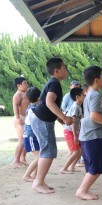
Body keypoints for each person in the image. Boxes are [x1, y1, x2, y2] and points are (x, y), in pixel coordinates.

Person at [31, 58, 73, 194]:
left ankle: (40, 181)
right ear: (57, 71)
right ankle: (38, 183)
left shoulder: (54, 83)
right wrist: (64, 117)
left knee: (48, 151)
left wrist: (61, 120)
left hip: (42, 119)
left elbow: (50, 105)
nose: (66, 70)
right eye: (64, 67)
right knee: (48, 152)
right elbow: (49, 103)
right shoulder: (54, 83)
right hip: (41, 120)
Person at [75, 66, 102, 200]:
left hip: (89, 135)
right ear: (96, 79)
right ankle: (82, 190)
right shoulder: (96, 95)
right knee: (96, 166)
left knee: (92, 165)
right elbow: (94, 116)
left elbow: (94, 112)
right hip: (92, 135)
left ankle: (85, 189)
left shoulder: (90, 93)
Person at [60, 87, 84, 174]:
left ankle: (71, 167)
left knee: (80, 151)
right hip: (70, 131)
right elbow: (73, 122)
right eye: (82, 94)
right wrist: (75, 136)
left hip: (73, 132)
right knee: (76, 152)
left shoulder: (78, 106)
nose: (84, 95)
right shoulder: (76, 107)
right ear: (77, 97)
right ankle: (64, 168)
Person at [22, 87, 41, 182]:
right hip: (30, 137)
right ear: (39, 97)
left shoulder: (34, 107)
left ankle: (34, 175)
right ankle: (26, 175)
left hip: (34, 137)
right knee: (40, 157)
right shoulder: (33, 110)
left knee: (40, 156)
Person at [12, 77, 30, 167]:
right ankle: (16, 160)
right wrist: (18, 117)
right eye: (25, 83)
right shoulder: (18, 94)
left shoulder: (25, 93)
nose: (27, 85)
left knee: (26, 139)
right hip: (20, 118)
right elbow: (15, 105)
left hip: (26, 119)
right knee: (21, 140)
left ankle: (23, 158)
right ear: (19, 85)